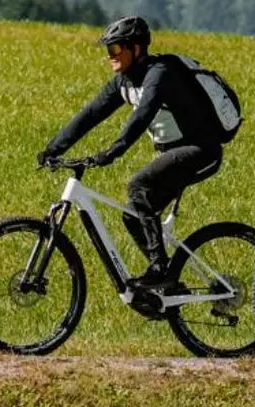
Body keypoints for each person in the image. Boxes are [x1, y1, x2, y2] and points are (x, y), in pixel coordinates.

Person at [38, 16, 229, 290]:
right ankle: (166, 288)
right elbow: (91, 114)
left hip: (201, 150)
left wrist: (113, 151)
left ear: (136, 48)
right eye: (108, 51)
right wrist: (53, 148)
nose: (110, 57)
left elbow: (142, 116)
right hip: (175, 153)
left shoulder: (160, 74)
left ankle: (160, 270)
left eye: (116, 49)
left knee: (139, 186)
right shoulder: (124, 82)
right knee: (133, 215)